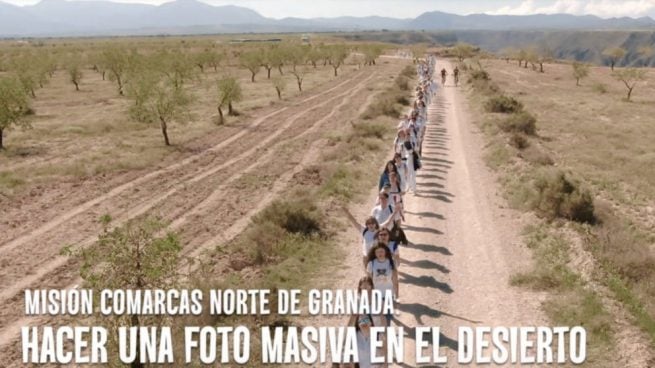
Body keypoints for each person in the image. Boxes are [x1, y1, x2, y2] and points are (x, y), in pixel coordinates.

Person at [366, 243, 399, 326]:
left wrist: (397, 295)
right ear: (374, 253)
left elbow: (395, 280)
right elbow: (369, 281)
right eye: (377, 252)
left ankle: (386, 334)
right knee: (377, 316)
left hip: (388, 294)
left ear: (385, 252)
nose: (379, 254)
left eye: (381, 251)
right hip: (376, 294)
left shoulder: (391, 263)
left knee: (388, 316)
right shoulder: (371, 264)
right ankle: (379, 335)